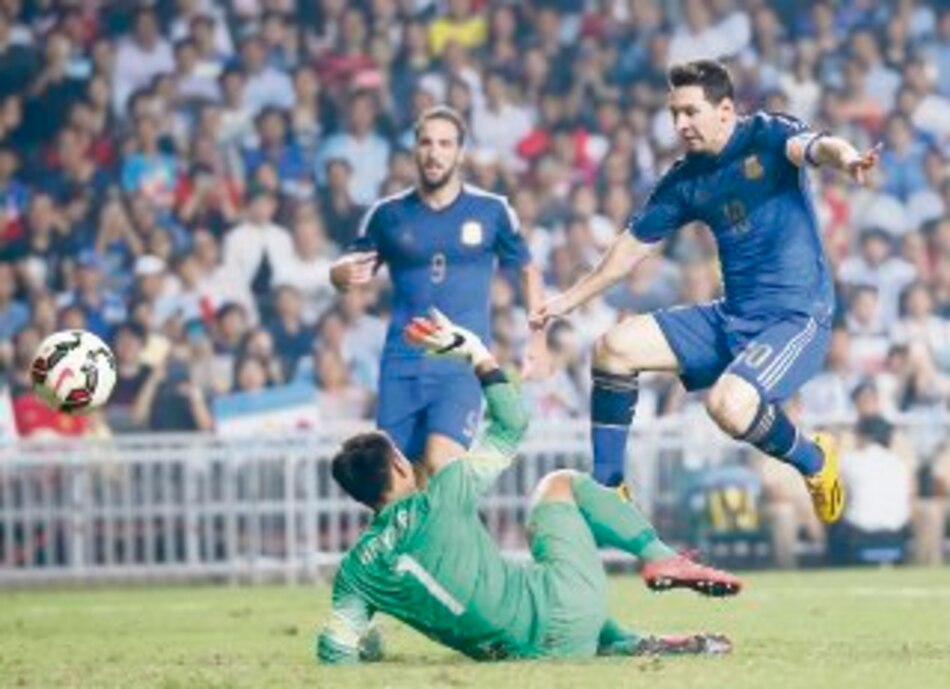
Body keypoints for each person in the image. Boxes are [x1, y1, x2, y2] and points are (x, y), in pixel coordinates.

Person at [531, 59, 882, 525]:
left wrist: (848, 158)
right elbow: (628, 252)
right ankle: (610, 491)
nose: (680, 124)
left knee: (727, 404)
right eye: (674, 113)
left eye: (690, 112)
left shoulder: (767, 135)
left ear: (725, 109)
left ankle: (815, 461)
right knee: (613, 348)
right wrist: (567, 301)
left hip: (795, 318)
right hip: (731, 316)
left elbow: (815, 147)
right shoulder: (686, 180)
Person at [317, 310, 737, 665]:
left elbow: (335, 651)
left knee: (532, 584)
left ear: (359, 495)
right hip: (567, 612)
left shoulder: (356, 573)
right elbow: (511, 425)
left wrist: (366, 645)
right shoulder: (444, 493)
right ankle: (661, 557)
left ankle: (628, 641)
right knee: (559, 484)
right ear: (399, 464)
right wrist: (476, 353)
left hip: (524, 655)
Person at [330, 106, 549, 475]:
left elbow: (528, 270)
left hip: (460, 361)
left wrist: (538, 343)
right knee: (400, 482)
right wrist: (338, 274)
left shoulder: (491, 210)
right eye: (426, 143)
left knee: (442, 464)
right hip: (401, 362)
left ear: (460, 152)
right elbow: (347, 269)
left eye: (445, 144)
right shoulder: (387, 214)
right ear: (414, 150)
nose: (435, 152)